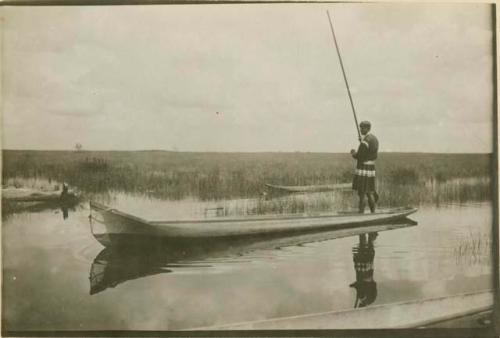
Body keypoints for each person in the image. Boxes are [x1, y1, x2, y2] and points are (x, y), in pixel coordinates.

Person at [350, 121, 379, 213]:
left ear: (367, 128)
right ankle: (373, 213)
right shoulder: (374, 139)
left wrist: (353, 153)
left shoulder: (365, 141)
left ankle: (361, 214)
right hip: (371, 169)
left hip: (363, 168)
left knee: (361, 192)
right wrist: (362, 141)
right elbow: (370, 152)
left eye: (362, 128)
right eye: (360, 128)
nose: (360, 129)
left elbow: (360, 156)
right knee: (369, 191)